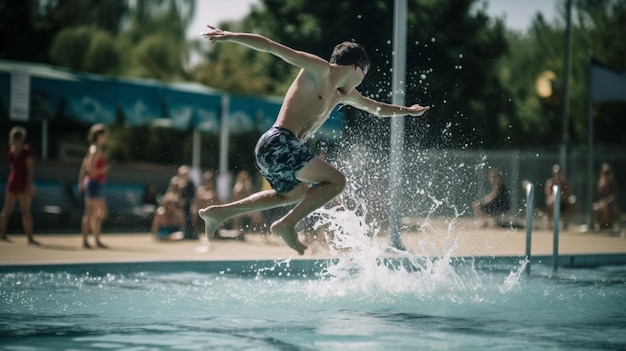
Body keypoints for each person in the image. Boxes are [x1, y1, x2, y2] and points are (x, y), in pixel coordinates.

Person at [199, 26, 430, 255]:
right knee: (337, 182)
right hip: (278, 141)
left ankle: (221, 213)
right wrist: (230, 36)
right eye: (365, 75)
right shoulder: (320, 70)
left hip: (277, 150)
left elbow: (377, 109)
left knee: (295, 193)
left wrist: (407, 111)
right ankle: (287, 224)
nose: (363, 81)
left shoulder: (344, 94)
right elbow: (271, 47)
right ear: (358, 68)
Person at [0, 127, 38, 245]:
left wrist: (29, 185)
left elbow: (30, 170)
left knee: (25, 211)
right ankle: (1, 233)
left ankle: (29, 237)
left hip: (22, 182)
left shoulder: (27, 153)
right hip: (13, 181)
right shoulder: (11, 152)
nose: (17, 142)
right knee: (7, 210)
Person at [82, 124, 109, 248]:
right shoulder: (95, 149)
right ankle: (87, 241)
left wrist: (81, 181)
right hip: (94, 184)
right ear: (98, 135)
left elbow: (84, 164)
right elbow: (90, 168)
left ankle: (95, 239)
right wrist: (103, 169)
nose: (106, 137)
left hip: (95, 184)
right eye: (104, 134)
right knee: (93, 213)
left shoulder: (94, 148)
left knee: (98, 213)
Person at [230, 170, 264, 234]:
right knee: (235, 215)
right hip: (239, 207)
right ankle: (236, 229)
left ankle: (256, 230)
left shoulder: (247, 187)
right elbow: (236, 200)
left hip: (247, 207)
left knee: (258, 214)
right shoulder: (237, 188)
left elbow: (251, 198)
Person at [545, 164, 576, 229]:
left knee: (573, 201)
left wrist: (562, 198)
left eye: (559, 173)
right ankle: (549, 222)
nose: (557, 175)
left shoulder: (564, 183)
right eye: (556, 173)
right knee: (551, 202)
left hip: (562, 202)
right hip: (553, 203)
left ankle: (565, 221)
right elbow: (548, 195)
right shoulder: (550, 182)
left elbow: (567, 195)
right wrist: (555, 198)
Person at [192, 170, 221, 236]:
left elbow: (219, 202)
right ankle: (194, 230)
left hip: (211, 211)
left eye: (210, 180)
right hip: (201, 210)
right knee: (194, 210)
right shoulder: (201, 189)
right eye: (207, 180)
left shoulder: (215, 192)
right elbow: (197, 201)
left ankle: (215, 229)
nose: (208, 182)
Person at [593, 163, 620, 230]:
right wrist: (600, 203)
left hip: (611, 205)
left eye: (607, 173)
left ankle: (606, 225)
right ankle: (599, 225)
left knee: (605, 208)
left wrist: (605, 203)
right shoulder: (601, 183)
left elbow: (613, 197)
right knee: (595, 207)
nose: (606, 175)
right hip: (602, 203)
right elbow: (599, 196)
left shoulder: (612, 183)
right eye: (605, 173)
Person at [177, 165, 196, 239]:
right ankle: (183, 231)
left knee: (192, 213)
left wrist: (194, 206)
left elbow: (193, 197)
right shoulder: (177, 184)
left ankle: (191, 231)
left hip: (188, 205)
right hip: (178, 206)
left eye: (186, 174)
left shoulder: (191, 184)